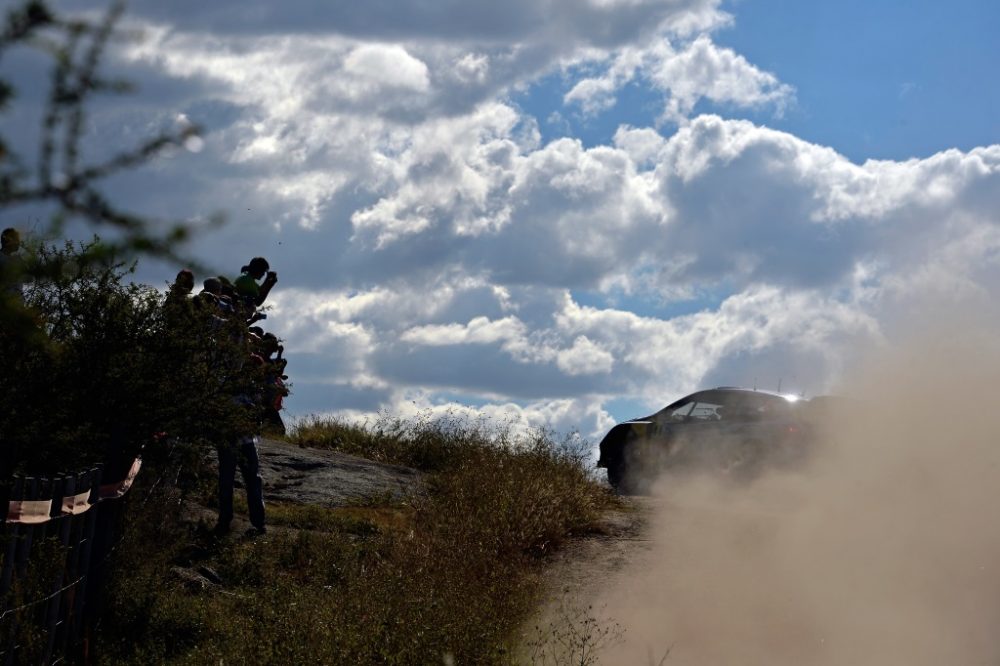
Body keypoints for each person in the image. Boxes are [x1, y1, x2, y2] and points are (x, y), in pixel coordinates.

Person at [0, 227, 26, 302]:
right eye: (16, 240)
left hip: (18, 306)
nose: (19, 243)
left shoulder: (18, 259)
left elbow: (30, 279)